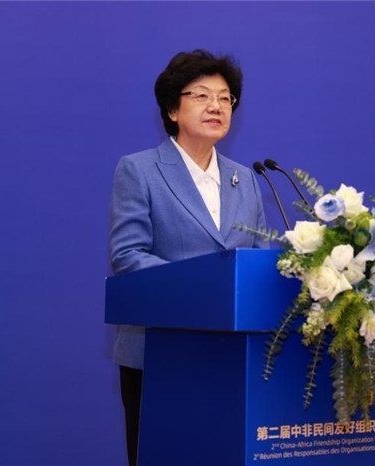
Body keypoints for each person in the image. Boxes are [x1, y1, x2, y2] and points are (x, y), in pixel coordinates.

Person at [108, 49, 268, 466]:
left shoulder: (247, 178)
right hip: (160, 354)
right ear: (172, 109)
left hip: (233, 357)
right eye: (201, 95)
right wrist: (206, 287)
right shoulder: (140, 170)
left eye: (225, 97)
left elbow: (258, 261)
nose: (216, 105)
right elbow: (128, 256)